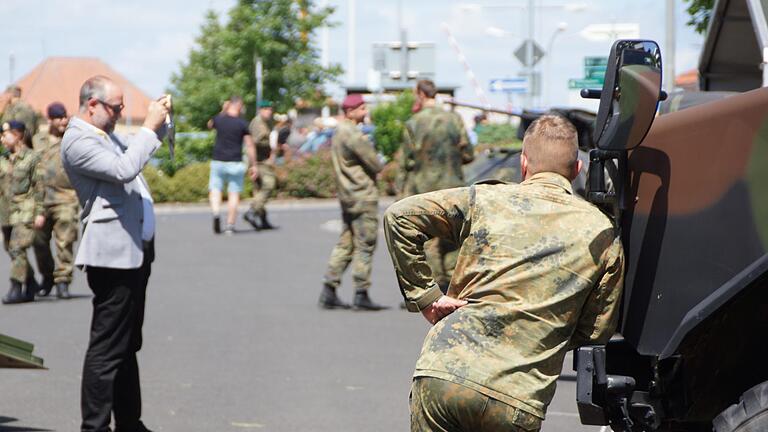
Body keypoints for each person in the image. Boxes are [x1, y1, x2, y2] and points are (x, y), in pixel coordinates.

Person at [383, 115, 625, 432]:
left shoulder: (484, 199)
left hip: (444, 374)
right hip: (515, 395)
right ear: (576, 170)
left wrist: (427, 297)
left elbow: (400, 216)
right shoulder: (602, 234)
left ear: (524, 164)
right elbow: (595, 332)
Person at [61, 75, 170, 432]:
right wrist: (150, 127)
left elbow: (139, 151)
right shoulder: (78, 140)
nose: (121, 114)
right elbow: (125, 169)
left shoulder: (104, 136)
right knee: (107, 349)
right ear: (92, 105)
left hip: (133, 250)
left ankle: (129, 422)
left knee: (127, 344)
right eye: (116, 108)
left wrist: (161, 123)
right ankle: (94, 427)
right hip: (112, 256)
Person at [400, 79, 474, 293]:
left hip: (426, 190)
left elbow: (408, 162)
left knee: (428, 241)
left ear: (420, 94)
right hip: (454, 190)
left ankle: (434, 289)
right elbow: (468, 153)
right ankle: (454, 287)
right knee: (453, 239)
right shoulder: (454, 119)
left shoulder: (414, 123)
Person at [318, 94, 387, 311]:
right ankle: (361, 292)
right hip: (362, 195)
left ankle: (329, 288)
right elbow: (375, 164)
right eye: (362, 108)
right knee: (366, 244)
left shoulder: (339, 132)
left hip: (347, 195)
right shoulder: (353, 134)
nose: (366, 112)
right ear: (350, 112)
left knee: (346, 243)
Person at [32, 102, 79, 299]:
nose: (63, 121)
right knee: (38, 241)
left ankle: (63, 280)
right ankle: (47, 276)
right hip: (40, 200)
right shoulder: (37, 140)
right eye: (58, 118)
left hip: (66, 197)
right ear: (49, 119)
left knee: (65, 241)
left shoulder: (72, 138)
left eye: (64, 117)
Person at [1, 120, 42, 304]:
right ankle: (31, 282)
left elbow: (40, 187)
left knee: (18, 248)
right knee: (11, 249)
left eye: (5, 134)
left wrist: (40, 212)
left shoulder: (32, 158)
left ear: (17, 135)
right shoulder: (3, 160)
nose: (2, 138)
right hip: (6, 213)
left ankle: (16, 288)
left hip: (25, 211)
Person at [207, 96, 257, 235]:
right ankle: (230, 225)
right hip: (235, 161)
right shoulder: (242, 123)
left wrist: (223, 111)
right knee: (233, 194)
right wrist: (253, 165)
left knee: (215, 189)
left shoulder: (219, 119)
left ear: (229, 105)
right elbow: (249, 145)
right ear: (240, 106)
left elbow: (210, 125)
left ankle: (216, 213)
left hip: (218, 160)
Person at [243, 100, 276, 230]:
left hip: (262, 159)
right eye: (266, 109)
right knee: (269, 184)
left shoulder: (267, 122)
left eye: (270, 109)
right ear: (260, 110)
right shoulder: (258, 123)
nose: (269, 111)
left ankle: (263, 219)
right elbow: (253, 144)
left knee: (259, 190)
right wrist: (253, 165)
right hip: (258, 161)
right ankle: (252, 211)